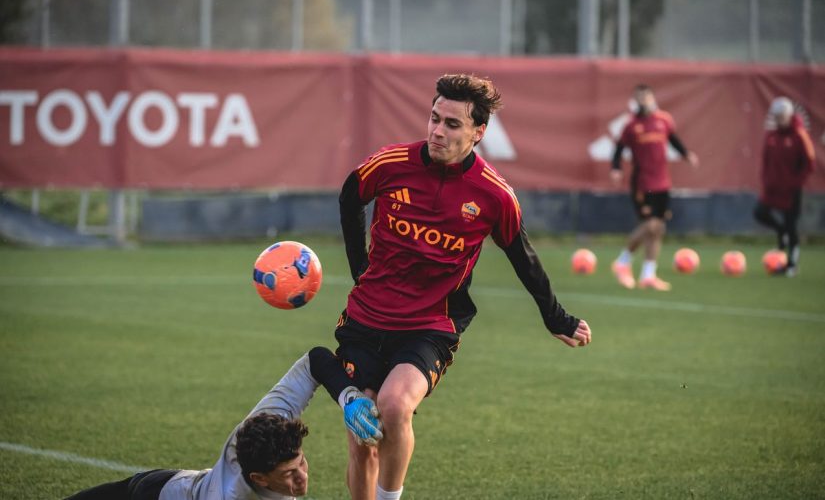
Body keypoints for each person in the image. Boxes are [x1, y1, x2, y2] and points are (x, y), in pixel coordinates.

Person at [336, 73, 592, 500]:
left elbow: (523, 258)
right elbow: (350, 196)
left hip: (430, 326)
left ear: (479, 132)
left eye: (452, 124)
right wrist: (359, 267)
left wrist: (556, 318)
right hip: (366, 319)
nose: (437, 131)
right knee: (363, 438)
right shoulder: (390, 164)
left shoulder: (494, 195)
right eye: (434, 118)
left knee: (394, 407)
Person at [65, 347, 383, 500]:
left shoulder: (267, 422)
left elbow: (316, 360)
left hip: (172, 483)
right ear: (259, 478)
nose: (302, 478)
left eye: (300, 463)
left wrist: (349, 399)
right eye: (289, 474)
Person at [609, 83, 699, 291]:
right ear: (635, 101)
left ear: (652, 98)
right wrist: (616, 168)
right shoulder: (631, 126)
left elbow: (673, 139)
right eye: (639, 98)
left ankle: (648, 275)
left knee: (658, 229)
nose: (644, 101)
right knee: (649, 225)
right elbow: (618, 149)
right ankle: (623, 261)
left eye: (646, 97)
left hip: (662, 182)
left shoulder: (664, 120)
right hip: (642, 183)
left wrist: (686, 154)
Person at [753, 96, 816, 277]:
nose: (779, 119)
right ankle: (781, 233)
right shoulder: (771, 136)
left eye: (782, 116)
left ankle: (791, 264)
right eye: (776, 116)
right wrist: (766, 180)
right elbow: (765, 160)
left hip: (791, 190)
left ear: (789, 115)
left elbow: (809, 163)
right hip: (772, 188)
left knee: (791, 225)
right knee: (760, 213)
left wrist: (795, 182)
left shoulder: (799, 135)